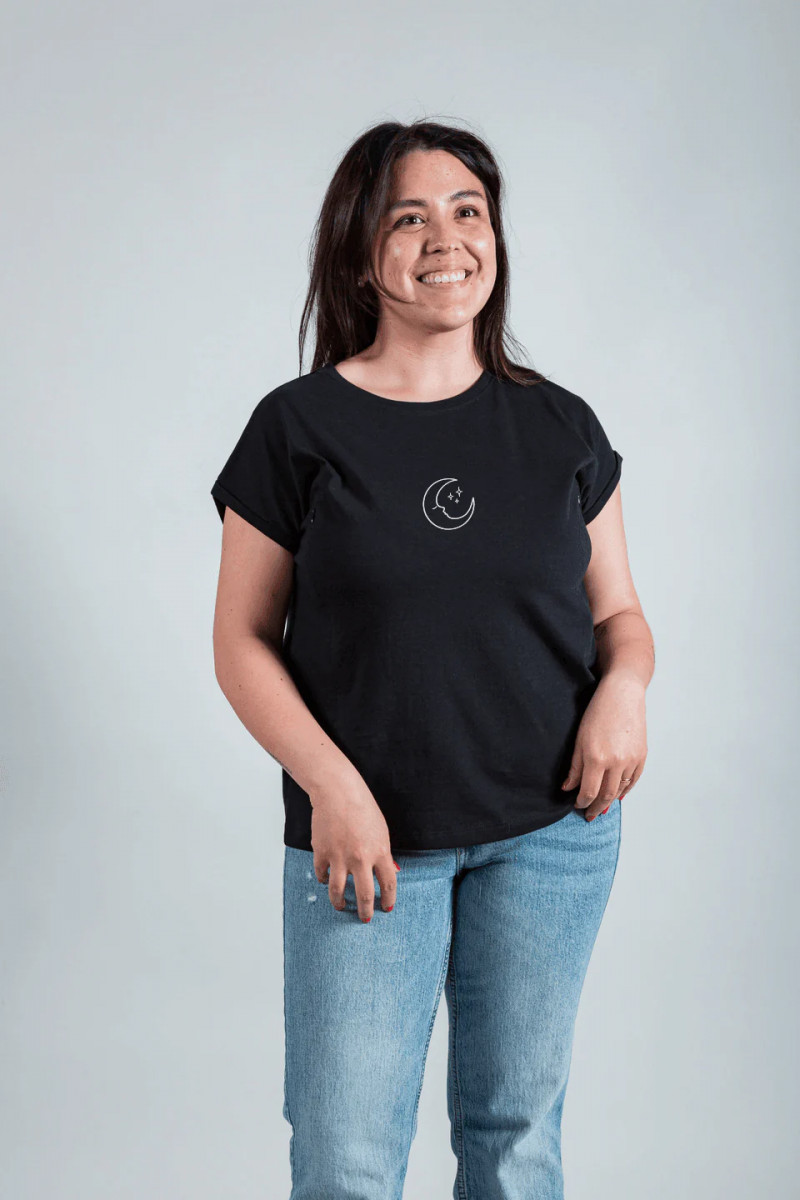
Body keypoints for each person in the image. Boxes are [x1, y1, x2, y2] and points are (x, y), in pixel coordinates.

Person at [210, 118, 654, 1200]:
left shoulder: (560, 426)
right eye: (408, 217)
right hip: (365, 846)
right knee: (345, 1160)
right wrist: (332, 789)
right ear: (362, 250)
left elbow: (619, 615)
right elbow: (239, 642)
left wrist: (624, 688)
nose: (445, 238)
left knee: (515, 1141)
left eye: (467, 211)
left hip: (552, 834)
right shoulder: (297, 427)